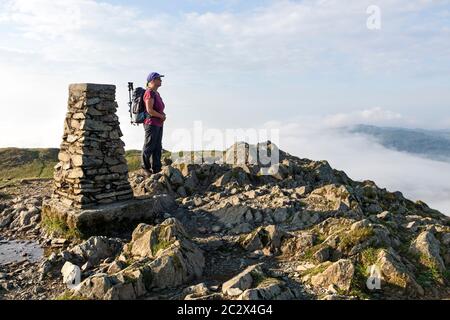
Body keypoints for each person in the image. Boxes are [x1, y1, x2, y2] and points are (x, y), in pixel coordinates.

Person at [141, 72, 166, 176]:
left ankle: (156, 168)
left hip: (158, 123)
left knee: (157, 146)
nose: (161, 80)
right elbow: (149, 110)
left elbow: (158, 109)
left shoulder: (157, 94)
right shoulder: (149, 92)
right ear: (152, 81)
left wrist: (162, 115)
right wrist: (161, 116)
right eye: (158, 79)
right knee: (149, 145)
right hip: (151, 123)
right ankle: (144, 167)